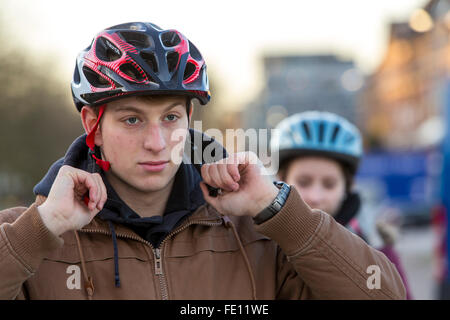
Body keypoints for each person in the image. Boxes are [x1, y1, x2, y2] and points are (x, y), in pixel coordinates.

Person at [0, 22, 405, 300]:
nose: (157, 142)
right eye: (132, 119)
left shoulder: (259, 234)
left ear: (190, 120)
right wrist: (39, 230)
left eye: (171, 118)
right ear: (94, 124)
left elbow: (384, 292)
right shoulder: (27, 234)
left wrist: (281, 209)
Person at [271, 110, 412, 299]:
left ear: (348, 187)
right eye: (304, 182)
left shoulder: (378, 246)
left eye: (329, 184)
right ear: (281, 180)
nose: (315, 196)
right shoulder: (260, 244)